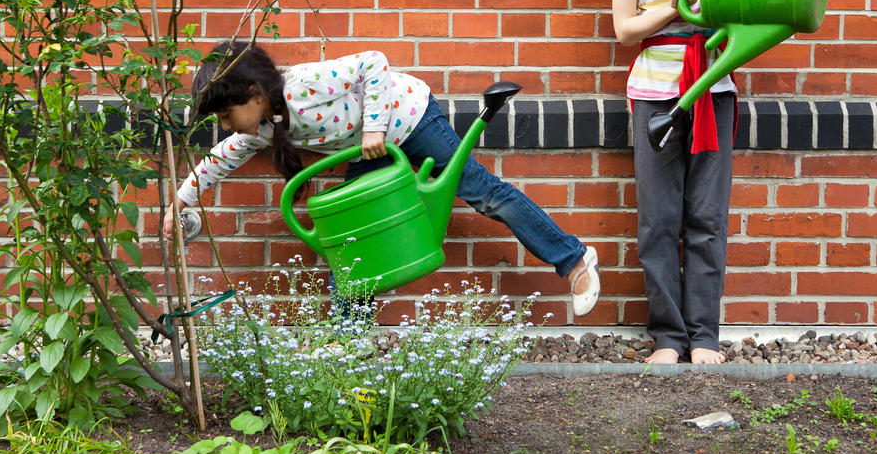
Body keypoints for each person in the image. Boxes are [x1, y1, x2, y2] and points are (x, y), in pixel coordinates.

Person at [162, 40, 601, 316]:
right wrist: (179, 202)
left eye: (226, 114)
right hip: (371, 150)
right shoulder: (259, 127)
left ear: (254, 93)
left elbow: (373, 63)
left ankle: (575, 260)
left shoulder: (302, 86)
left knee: (483, 193)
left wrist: (374, 126)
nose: (226, 125)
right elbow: (221, 158)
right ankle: (350, 340)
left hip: (410, 119)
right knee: (352, 237)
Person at [607, 0, 748, 364]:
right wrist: (673, 6)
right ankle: (669, 337)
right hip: (655, 96)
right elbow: (625, 29)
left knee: (707, 217)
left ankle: (704, 336)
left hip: (712, 87)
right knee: (659, 219)